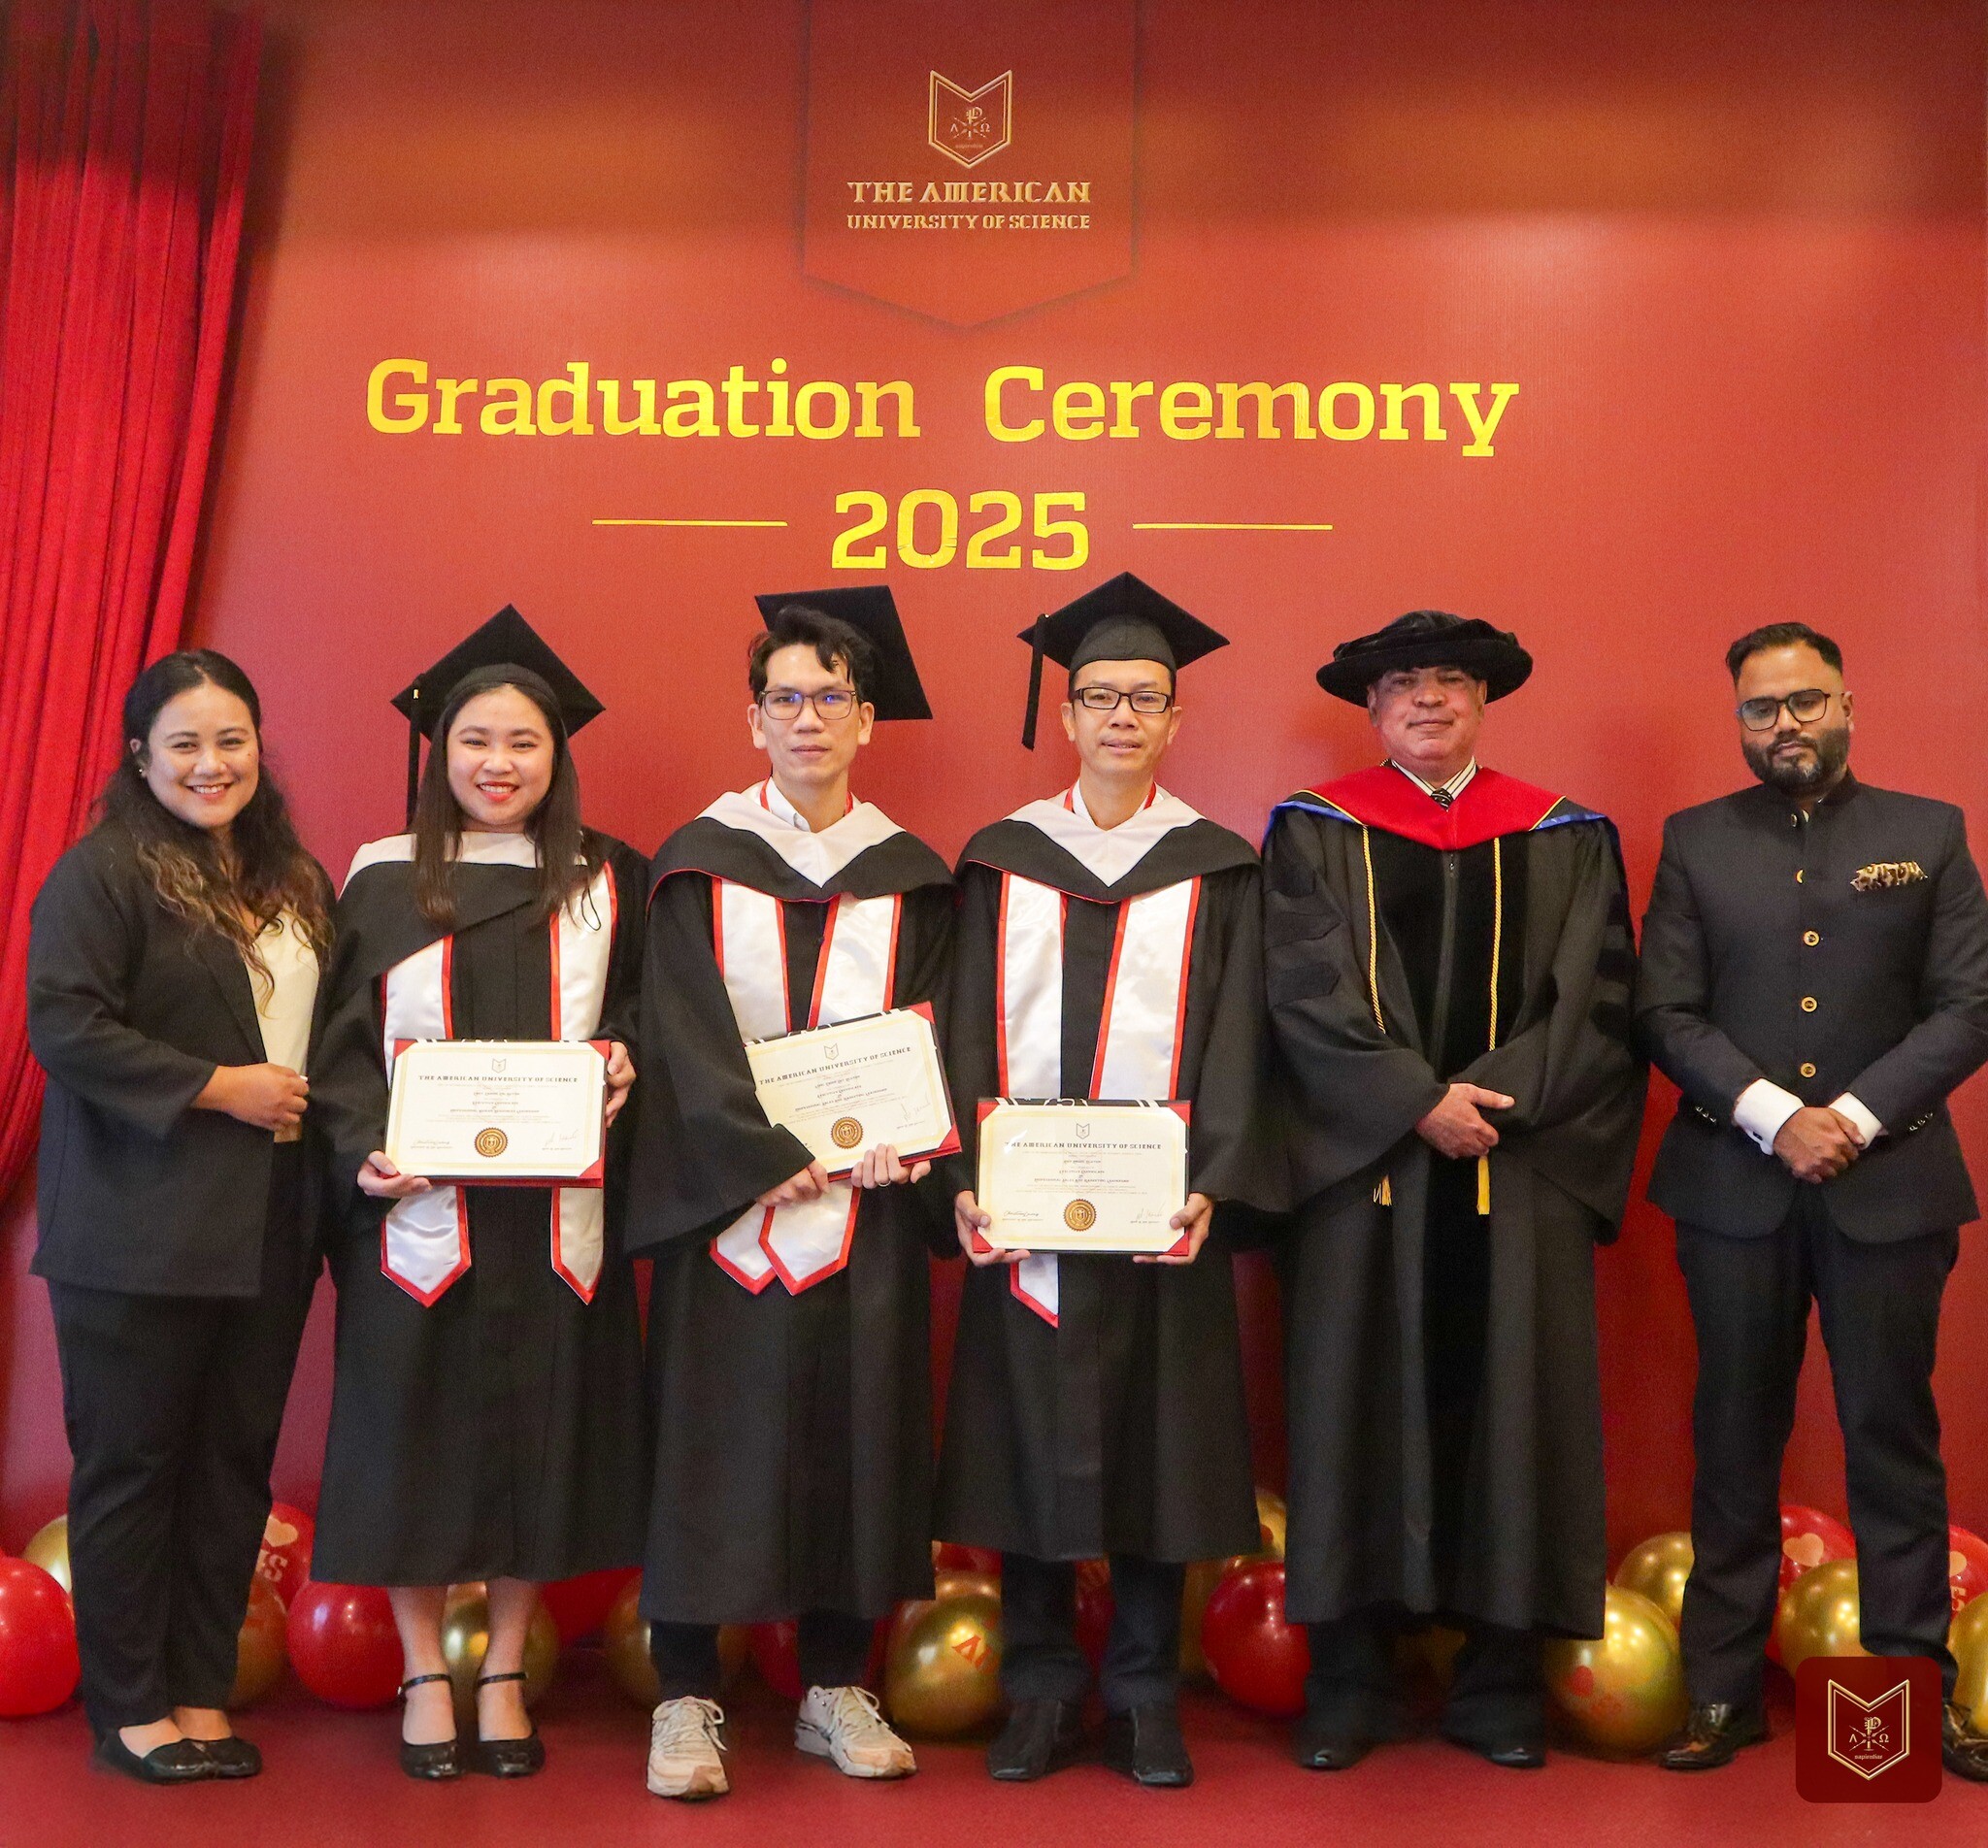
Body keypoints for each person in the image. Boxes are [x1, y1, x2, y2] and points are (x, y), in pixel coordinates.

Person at [1262, 610, 1644, 1771]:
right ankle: (1350, 1681)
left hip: (1511, 1170)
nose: (1426, 698)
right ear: (1370, 708)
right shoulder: (1312, 831)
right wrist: (1410, 1100)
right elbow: (1298, 995)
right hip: (1365, 1176)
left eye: (1448, 680)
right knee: (1350, 1409)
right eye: (1402, 684)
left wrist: (1487, 1103)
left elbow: (1593, 1005)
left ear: (1483, 699)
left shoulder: (1565, 834)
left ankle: (1497, 1683)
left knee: (1513, 1413)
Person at [938, 573, 1281, 1789]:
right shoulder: (998, 861)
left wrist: (1214, 1179)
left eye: (1144, 698)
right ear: (1066, 714)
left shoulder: (1217, 867)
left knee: (1158, 1449)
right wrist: (962, 1175)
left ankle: (1142, 1694)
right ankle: (1036, 1687)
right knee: (1023, 1442)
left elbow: (1238, 1039)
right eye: (1099, 696)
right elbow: (958, 1031)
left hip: (1159, 1218)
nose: (1121, 716)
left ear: (1174, 718)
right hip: (1023, 1215)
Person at [1635, 621, 1988, 1778]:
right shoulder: (1693, 839)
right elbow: (1663, 1009)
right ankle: (1719, 1692)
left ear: (1844, 703)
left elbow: (1968, 1005)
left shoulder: (1926, 832)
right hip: (1730, 1183)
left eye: (1802, 700)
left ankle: (1905, 1697)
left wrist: (1852, 1115)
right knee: (1732, 1435)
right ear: (1736, 719)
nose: (1782, 723)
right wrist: (1772, 1115)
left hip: (1890, 1183)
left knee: (1891, 1438)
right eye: (1758, 707)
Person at [309, 608, 646, 1780]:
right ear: (438, 751)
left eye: (523, 742)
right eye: (474, 740)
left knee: (535, 1444)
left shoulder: (607, 877)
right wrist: (364, 1148)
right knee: (410, 1434)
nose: (498, 763)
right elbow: (338, 1047)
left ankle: (502, 1667)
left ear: (557, 757)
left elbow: (644, 1012)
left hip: (554, 1221)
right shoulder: (381, 878)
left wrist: (625, 1054)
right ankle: (421, 1667)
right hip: (419, 1219)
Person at [629, 589, 951, 1800]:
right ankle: (683, 1692)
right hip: (730, 1217)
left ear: (865, 720)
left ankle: (832, 1683)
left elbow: (940, 1027)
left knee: (858, 1436)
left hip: (866, 1210)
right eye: (783, 697)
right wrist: (756, 1151)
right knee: (708, 1438)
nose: (805, 717)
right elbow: (679, 1032)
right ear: (752, 718)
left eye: (829, 697)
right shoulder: (697, 865)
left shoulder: (912, 877)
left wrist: (912, 1140)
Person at [26, 651, 331, 1783]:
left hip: (271, 1221)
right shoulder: (101, 872)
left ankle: (202, 1691)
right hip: (137, 1228)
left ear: (258, 745)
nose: (212, 762)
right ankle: (130, 1708)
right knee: (133, 1468)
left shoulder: (293, 875)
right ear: (140, 755)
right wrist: (218, 1086)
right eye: (186, 743)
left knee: (232, 1468)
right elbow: (65, 1025)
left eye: (231, 739)